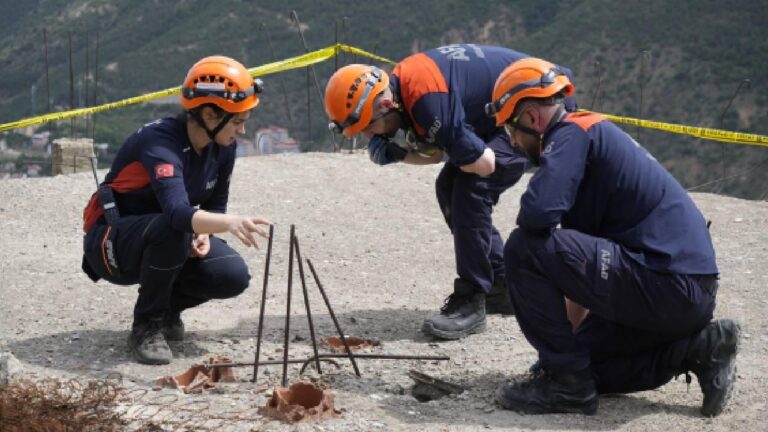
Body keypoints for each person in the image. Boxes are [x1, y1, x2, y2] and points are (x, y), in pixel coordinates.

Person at [486, 57, 740, 416]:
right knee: (586, 365)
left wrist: (559, 366)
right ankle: (700, 347)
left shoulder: (573, 132)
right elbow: (577, 271)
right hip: (683, 294)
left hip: (664, 280)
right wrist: (560, 358)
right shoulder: (591, 138)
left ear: (531, 116)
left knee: (524, 248)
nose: (512, 142)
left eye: (511, 129)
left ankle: (567, 387)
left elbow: (537, 214)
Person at [324, 44, 577, 340]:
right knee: (448, 185)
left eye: (368, 127)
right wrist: (401, 153)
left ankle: (471, 299)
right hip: (507, 108)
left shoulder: (427, 102)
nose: (369, 136)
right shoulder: (402, 91)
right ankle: (499, 284)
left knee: (471, 188)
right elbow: (435, 154)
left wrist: (413, 151)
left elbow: (484, 165)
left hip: (540, 104)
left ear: (383, 106)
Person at [80, 56, 271, 365]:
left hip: (166, 237)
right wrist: (228, 223)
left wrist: (206, 236)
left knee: (232, 274)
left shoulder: (224, 146)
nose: (243, 129)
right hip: (111, 242)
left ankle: (168, 309)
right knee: (173, 228)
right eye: (237, 121)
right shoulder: (160, 143)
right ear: (209, 114)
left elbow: (215, 203)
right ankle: (147, 325)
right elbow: (178, 214)